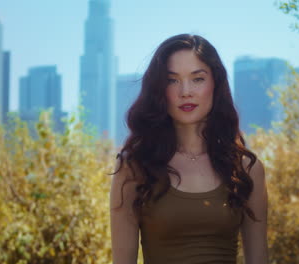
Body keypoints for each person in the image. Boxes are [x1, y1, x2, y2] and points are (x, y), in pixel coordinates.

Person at [110, 34, 268, 264]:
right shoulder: (134, 166)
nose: (185, 91)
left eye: (197, 79)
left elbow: (259, 259)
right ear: (159, 89)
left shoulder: (246, 169)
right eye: (172, 80)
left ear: (215, 83)